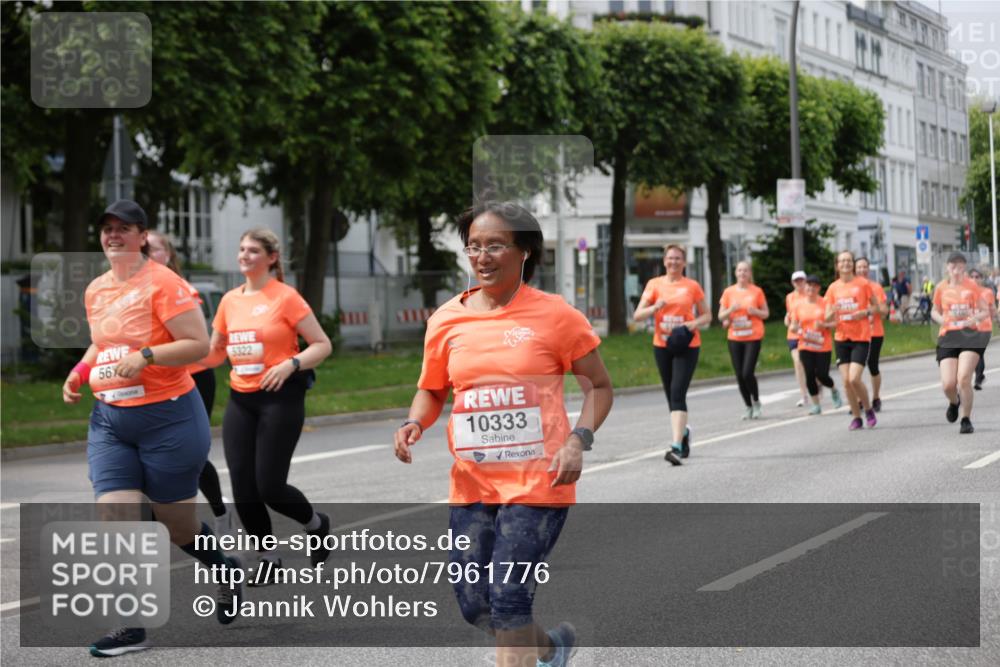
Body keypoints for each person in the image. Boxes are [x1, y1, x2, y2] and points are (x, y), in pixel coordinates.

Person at [393, 201, 613, 667]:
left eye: (495, 245)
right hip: (473, 483)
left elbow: (599, 385)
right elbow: (432, 390)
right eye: (473, 246)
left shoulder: (557, 316)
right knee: (477, 604)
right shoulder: (446, 319)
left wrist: (579, 439)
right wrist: (414, 422)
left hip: (539, 481)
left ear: (525, 252)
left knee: (511, 597)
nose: (482, 256)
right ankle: (551, 649)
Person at [61, 200, 242, 657]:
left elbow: (197, 345)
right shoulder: (97, 289)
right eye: (107, 229)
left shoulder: (165, 284)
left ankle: (224, 568)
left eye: (124, 229)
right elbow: (102, 341)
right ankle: (131, 626)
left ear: (143, 236)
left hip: (171, 419)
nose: (113, 236)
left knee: (177, 527)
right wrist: (80, 371)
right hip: (111, 421)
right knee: (114, 515)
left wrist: (146, 356)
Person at [202, 228, 333, 578]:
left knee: (270, 487)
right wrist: (172, 362)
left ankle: (316, 525)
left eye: (253, 250)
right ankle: (268, 558)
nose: (244, 255)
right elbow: (214, 353)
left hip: (281, 399)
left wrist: (291, 364)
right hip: (241, 400)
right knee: (243, 487)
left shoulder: (285, 297)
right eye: (241, 249)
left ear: (271, 258)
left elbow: (322, 344)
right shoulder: (229, 301)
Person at [146, 230, 231, 534]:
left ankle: (220, 511)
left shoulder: (178, 287)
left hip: (192, 377)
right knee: (152, 449)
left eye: (153, 249)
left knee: (190, 452)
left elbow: (196, 341)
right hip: (155, 381)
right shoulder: (129, 291)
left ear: (167, 255)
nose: (145, 253)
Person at [633, 244, 711, 464]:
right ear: (664, 261)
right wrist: (655, 307)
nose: (674, 262)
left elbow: (707, 316)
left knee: (678, 392)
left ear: (684, 263)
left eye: (678, 258)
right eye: (670, 258)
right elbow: (638, 315)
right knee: (671, 395)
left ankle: (675, 446)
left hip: (687, 344)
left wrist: (691, 324)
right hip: (663, 345)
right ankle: (683, 432)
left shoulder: (692, 286)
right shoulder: (654, 284)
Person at [932, 253, 990, 434]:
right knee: (948, 384)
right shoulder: (941, 287)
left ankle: (966, 419)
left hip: (970, 336)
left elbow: (984, 310)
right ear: (947, 268)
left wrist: (974, 318)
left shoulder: (972, 286)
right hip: (948, 336)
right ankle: (954, 401)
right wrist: (941, 320)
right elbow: (934, 310)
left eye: (960, 266)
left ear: (964, 268)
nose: (957, 270)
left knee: (963, 378)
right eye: (953, 266)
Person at [825, 250, 881, 431]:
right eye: (842, 261)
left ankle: (869, 409)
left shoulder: (863, 284)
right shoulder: (833, 288)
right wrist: (832, 311)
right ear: (837, 266)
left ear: (852, 264)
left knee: (854, 378)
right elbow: (826, 316)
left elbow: (876, 306)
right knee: (846, 382)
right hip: (842, 337)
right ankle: (857, 417)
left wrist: (865, 312)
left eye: (848, 261)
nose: (846, 264)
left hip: (861, 337)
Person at [718, 261, 769, 419]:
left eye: (745, 270)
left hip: (753, 336)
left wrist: (755, 311)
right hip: (735, 337)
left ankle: (756, 401)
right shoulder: (728, 292)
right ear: (735, 273)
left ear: (749, 273)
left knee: (747, 372)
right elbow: (720, 316)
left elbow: (766, 313)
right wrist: (730, 311)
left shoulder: (757, 291)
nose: (742, 273)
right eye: (739, 270)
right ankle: (748, 406)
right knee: (739, 374)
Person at [789, 275, 843, 414]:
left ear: (819, 288)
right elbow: (793, 324)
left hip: (822, 345)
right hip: (805, 344)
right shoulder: (798, 305)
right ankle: (816, 405)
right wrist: (794, 328)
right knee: (809, 375)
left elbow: (835, 324)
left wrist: (824, 325)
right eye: (809, 285)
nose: (811, 288)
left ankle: (833, 389)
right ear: (805, 287)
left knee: (822, 375)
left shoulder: (825, 304)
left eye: (814, 286)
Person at [855, 257, 889, 412]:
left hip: (874, 332)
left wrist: (870, 310)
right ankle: (859, 400)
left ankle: (875, 397)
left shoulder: (876, 287)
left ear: (868, 269)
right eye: (859, 267)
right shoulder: (851, 287)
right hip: (856, 333)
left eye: (864, 267)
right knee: (856, 367)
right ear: (855, 269)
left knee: (872, 365)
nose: (862, 270)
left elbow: (884, 310)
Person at [784, 271, 812, 407]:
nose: (799, 283)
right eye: (796, 281)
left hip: (809, 335)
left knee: (811, 365)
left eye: (801, 280)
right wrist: (787, 319)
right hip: (793, 334)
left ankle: (816, 384)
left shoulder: (810, 295)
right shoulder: (789, 297)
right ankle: (804, 395)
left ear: (806, 281)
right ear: (792, 283)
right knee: (798, 362)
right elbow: (789, 314)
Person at [969, 267, 996, 390]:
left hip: (985, 328)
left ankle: (978, 378)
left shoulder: (987, 292)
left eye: (977, 277)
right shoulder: (966, 292)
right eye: (972, 276)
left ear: (982, 278)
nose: (974, 279)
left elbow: (993, 310)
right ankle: (980, 376)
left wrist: (992, 315)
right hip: (971, 327)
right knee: (976, 353)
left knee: (978, 352)